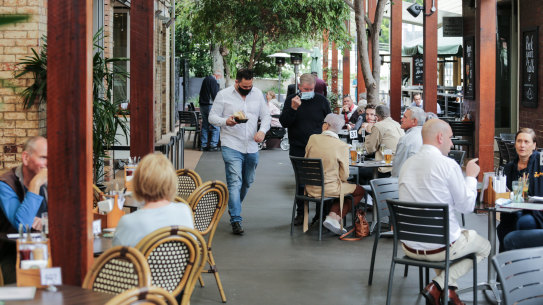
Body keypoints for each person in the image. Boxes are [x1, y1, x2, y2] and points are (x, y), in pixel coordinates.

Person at [399, 119, 490, 305]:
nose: (452, 143)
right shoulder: (448, 165)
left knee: (447, 240)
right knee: (485, 247)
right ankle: (438, 285)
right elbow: (466, 207)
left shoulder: (406, 165)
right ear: (440, 137)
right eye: (450, 138)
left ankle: (449, 293)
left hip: (408, 245)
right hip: (439, 248)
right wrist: (471, 177)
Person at [209, 68, 271, 235]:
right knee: (234, 182)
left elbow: (266, 116)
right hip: (231, 144)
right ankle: (236, 218)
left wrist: (262, 131)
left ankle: (233, 206)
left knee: (248, 181)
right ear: (236, 82)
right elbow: (212, 117)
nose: (248, 89)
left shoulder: (258, 94)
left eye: (250, 86)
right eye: (244, 86)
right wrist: (225, 121)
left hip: (251, 145)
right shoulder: (223, 95)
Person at [280, 73, 331, 225]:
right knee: (301, 182)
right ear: (299, 87)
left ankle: (320, 214)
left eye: (311, 89)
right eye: (306, 89)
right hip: (298, 147)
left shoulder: (321, 100)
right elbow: (284, 122)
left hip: (319, 148)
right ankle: (301, 213)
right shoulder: (291, 100)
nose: (308, 91)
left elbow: (328, 121)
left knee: (320, 180)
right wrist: (293, 108)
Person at [113, 153, 194, 247]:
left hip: (142, 262)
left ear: (138, 183)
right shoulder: (184, 211)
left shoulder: (128, 222)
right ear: (172, 182)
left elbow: (117, 257)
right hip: (180, 261)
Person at [305, 114, 365, 235]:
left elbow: (306, 157)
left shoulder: (312, 138)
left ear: (325, 125)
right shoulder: (341, 146)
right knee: (359, 191)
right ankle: (335, 218)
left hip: (309, 187)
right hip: (329, 188)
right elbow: (345, 175)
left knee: (345, 189)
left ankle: (332, 217)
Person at [0, 136, 48, 283]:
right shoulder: (6, 184)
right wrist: (36, 183)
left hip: (45, 248)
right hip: (13, 254)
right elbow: (23, 226)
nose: (48, 164)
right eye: (43, 158)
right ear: (26, 158)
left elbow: (66, 216)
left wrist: (47, 221)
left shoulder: (51, 179)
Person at [498, 128, 543, 252]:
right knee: (503, 227)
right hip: (514, 211)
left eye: (526, 142)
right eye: (519, 141)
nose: (522, 145)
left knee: (522, 222)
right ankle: (505, 267)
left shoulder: (540, 160)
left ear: (534, 145)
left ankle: (519, 264)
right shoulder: (509, 168)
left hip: (537, 213)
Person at [362, 105, 404, 178]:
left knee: (361, 172)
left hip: (386, 168)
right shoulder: (397, 124)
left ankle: (370, 189)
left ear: (376, 117)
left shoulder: (379, 126)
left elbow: (370, 149)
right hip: (399, 166)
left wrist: (368, 132)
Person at [391, 106, 425, 177]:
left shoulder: (406, 140)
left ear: (414, 121)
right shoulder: (427, 136)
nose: (401, 119)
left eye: (405, 117)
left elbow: (397, 171)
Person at [199, 70, 222, 151]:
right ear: (217, 76)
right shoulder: (213, 80)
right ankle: (213, 145)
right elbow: (215, 95)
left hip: (203, 106)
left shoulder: (206, 79)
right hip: (210, 106)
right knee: (216, 125)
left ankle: (203, 145)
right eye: (220, 77)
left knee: (205, 125)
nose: (219, 79)